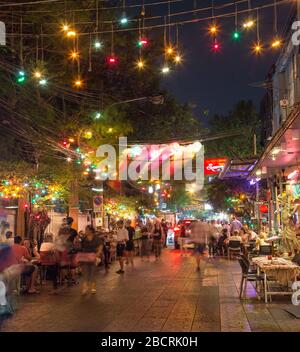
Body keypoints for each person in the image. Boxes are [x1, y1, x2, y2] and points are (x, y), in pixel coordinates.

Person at [79, 226, 102, 295]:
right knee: (85, 273)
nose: (85, 231)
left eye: (87, 230)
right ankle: (85, 288)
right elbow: (81, 247)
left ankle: (93, 287)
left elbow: (100, 245)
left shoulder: (96, 238)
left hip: (93, 256)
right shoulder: (84, 238)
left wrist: (98, 252)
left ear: (91, 231)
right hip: (85, 256)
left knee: (93, 272)